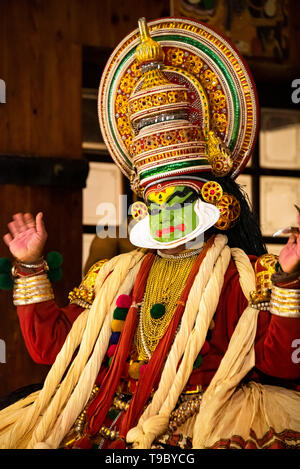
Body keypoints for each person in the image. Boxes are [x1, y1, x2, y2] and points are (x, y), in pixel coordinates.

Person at [0, 17, 299, 450]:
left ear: (212, 199)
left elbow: (283, 366)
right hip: (109, 419)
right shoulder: (111, 276)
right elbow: (52, 350)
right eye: (155, 204)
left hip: (205, 419)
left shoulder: (246, 275)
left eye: (178, 200)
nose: (167, 216)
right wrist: (30, 267)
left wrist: (289, 280)